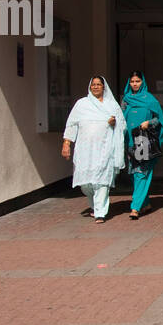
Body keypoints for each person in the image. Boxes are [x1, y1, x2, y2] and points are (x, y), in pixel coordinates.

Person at [61, 76, 126, 223]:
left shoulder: (112, 105)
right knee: (86, 184)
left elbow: (123, 126)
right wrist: (66, 143)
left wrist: (114, 122)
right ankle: (94, 206)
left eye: (99, 84)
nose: (96, 87)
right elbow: (72, 124)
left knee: (102, 181)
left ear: (104, 87)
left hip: (105, 149)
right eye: (93, 85)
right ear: (90, 87)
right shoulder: (82, 104)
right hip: (85, 150)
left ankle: (100, 213)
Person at [121, 70, 163, 220]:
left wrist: (149, 122)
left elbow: (159, 119)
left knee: (141, 172)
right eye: (132, 81)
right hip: (130, 141)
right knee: (135, 174)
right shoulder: (126, 99)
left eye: (137, 81)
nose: (134, 84)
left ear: (143, 82)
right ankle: (145, 203)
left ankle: (135, 207)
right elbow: (121, 119)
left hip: (143, 140)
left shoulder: (150, 99)